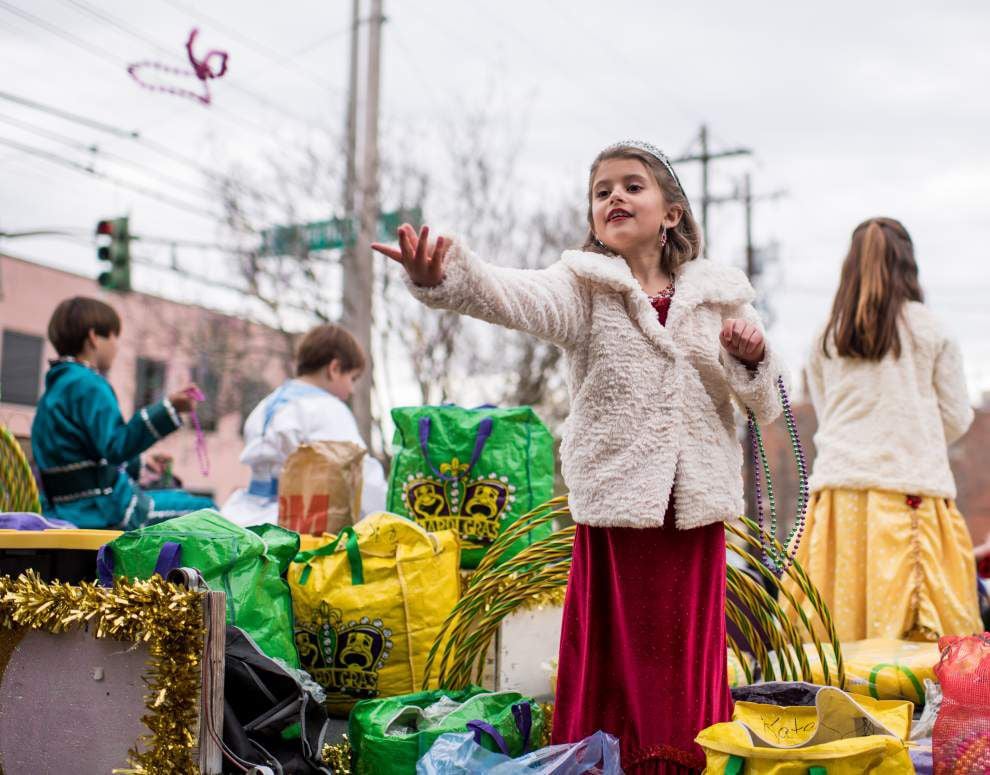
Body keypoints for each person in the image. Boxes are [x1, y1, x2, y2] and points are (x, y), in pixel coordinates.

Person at [372, 141, 786, 773]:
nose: (615, 197)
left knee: (683, 660)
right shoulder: (584, 288)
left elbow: (764, 403)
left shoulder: (720, 296)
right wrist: (443, 277)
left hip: (695, 513)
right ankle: (603, 761)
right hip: (620, 513)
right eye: (602, 191)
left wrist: (752, 357)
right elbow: (511, 294)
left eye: (632, 186)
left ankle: (685, 760)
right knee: (617, 660)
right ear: (593, 217)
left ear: (672, 213)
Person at [784, 217, 979, 641]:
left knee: (832, 626)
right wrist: (915, 434)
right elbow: (957, 415)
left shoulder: (825, 335)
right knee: (928, 634)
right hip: (912, 494)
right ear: (909, 265)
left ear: (848, 266)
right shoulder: (932, 328)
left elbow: (826, 408)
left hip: (838, 498)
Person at [31, 297, 215, 529]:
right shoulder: (89, 385)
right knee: (208, 512)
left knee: (179, 497)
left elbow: (87, 461)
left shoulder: (54, 390)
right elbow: (116, 447)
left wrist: (144, 467)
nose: (116, 346)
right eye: (114, 336)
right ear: (93, 337)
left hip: (63, 509)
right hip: (102, 510)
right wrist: (170, 408)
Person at [221, 323, 387, 526]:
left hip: (243, 515)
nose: (351, 390)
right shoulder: (326, 409)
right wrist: (387, 514)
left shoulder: (265, 406)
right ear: (334, 369)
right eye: (351, 378)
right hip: (297, 525)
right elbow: (360, 475)